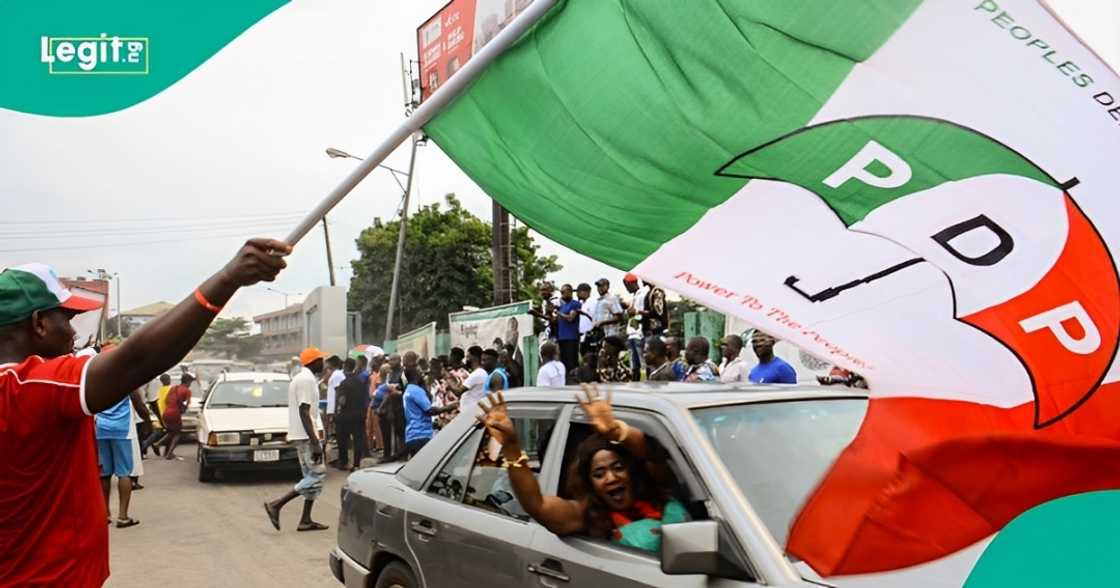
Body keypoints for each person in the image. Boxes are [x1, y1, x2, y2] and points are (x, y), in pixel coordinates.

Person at [0, 238, 288, 585]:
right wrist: (228, 278)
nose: (73, 332)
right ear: (39, 324)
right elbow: (136, 360)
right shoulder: (26, 387)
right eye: (67, 317)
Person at [476, 386, 689, 553]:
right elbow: (537, 505)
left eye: (618, 467)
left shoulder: (658, 492)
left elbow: (655, 454)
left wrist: (617, 431)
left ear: (631, 471)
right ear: (590, 483)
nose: (611, 477)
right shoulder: (587, 515)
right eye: (599, 474)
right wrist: (512, 447)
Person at [265, 347, 329, 532]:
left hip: (304, 435)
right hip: (306, 436)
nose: (324, 364)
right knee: (317, 475)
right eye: (321, 360)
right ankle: (276, 504)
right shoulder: (306, 380)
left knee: (310, 477)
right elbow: (304, 411)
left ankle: (305, 520)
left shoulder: (304, 378)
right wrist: (315, 442)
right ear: (314, 362)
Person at [95, 379, 140, 528]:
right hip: (121, 429)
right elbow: (138, 402)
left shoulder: (98, 378)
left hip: (101, 428)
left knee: (104, 474)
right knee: (124, 474)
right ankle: (123, 517)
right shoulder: (126, 377)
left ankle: (104, 514)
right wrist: (147, 420)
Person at [392, 365, 457, 459]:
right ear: (415, 376)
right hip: (422, 434)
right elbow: (429, 410)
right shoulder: (416, 390)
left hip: (412, 435)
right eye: (420, 373)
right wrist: (450, 407)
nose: (422, 375)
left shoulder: (408, 390)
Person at [335, 358, 367, 471]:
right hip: (359, 415)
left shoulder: (344, 383)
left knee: (343, 439)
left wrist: (338, 408)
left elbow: (342, 400)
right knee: (358, 439)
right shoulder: (360, 382)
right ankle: (356, 464)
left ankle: (343, 462)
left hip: (345, 416)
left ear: (344, 368)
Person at [160, 373, 194, 459]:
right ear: (188, 382)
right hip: (175, 414)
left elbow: (167, 400)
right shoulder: (187, 391)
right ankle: (169, 454)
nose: (190, 385)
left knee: (171, 432)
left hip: (166, 413)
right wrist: (181, 410)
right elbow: (187, 404)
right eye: (190, 382)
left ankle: (157, 444)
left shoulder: (173, 388)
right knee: (178, 434)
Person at [622, 274, 646, 381]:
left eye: (627, 286)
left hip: (638, 332)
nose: (626, 288)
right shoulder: (634, 296)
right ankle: (635, 381)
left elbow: (640, 312)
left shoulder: (642, 294)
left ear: (632, 283)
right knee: (633, 364)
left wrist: (632, 311)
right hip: (631, 333)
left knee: (642, 363)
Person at [455, 345, 489, 413]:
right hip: (470, 414)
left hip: (472, 415)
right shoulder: (477, 373)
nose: (466, 360)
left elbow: (458, 392)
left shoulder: (478, 373)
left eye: (468, 357)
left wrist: (447, 378)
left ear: (473, 357)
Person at [556, 284, 582, 372]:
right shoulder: (562, 306)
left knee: (572, 363)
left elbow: (570, 318)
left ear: (570, 292)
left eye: (564, 292)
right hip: (562, 338)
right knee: (564, 363)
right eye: (561, 292)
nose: (562, 294)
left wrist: (558, 313)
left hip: (571, 337)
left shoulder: (575, 304)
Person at [324, 355, 344, 447]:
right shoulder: (334, 374)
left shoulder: (337, 374)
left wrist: (336, 408)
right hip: (331, 406)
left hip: (333, 407)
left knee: (336, 429)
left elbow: (338, 391)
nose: (326, 365)